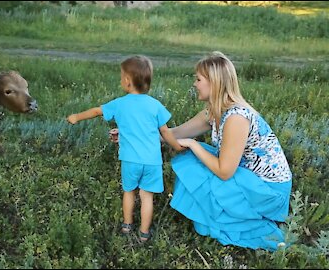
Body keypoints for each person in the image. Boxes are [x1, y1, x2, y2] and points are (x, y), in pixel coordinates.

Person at [111, 51, 292, 251]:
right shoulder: (213, 111)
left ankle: (247, 219)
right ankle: (222, 212)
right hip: (244, 176)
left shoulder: (236, 118)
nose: (194, 84)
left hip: (266, 191)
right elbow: (173, 134)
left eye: (198, 79)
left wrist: (194, 144)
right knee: (192, 160)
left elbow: (224, 171)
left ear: (214, 83)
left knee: (195, 158)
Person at [67, 55, 183, 242]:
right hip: (152, 161)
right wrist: (177, 147)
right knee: (147, 197)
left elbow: (97, 111)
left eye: (122, 76)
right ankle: (144, 234)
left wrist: (76, 117)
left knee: (129, 192)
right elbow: (166, 131)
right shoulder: (155, 105)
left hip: (130, 160)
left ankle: (127, 226)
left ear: (128, 81)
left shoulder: (120, 104)